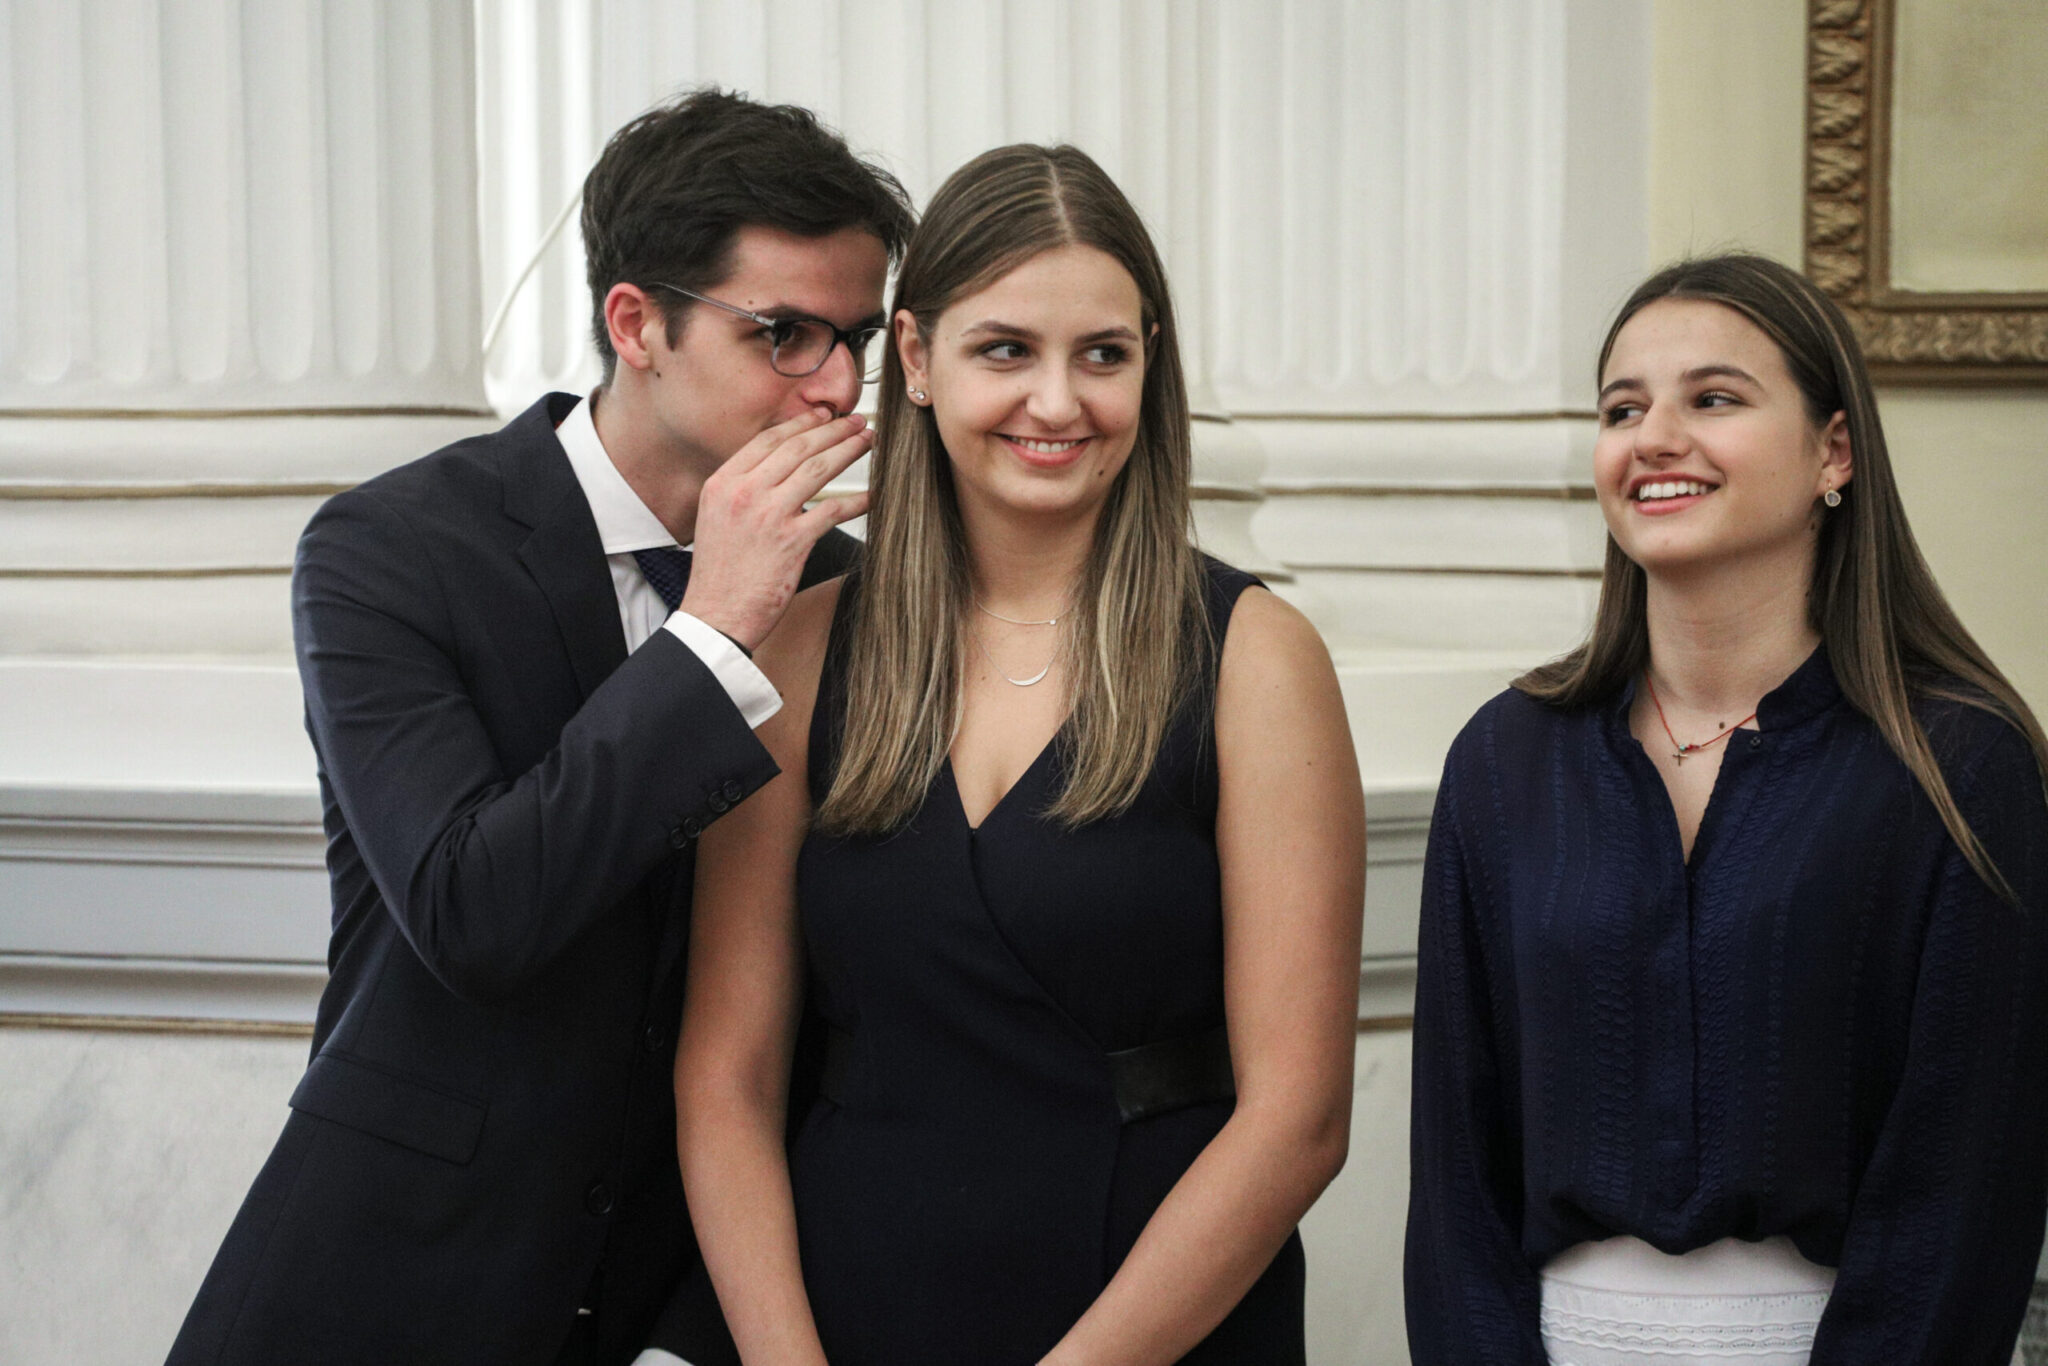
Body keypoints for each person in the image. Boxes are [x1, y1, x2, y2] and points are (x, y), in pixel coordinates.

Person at [165, 90, 913, 1366]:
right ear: (637, 324)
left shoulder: (845, 595)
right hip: (388, 1284)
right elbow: (474, 913)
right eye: (783, 334)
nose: (835, 387)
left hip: (680, 1302)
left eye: (853, 340)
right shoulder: (391, 549)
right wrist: (714, 630)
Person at [671, 143, 1365, 1366]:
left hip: (1151, 1323)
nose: (1057, 402)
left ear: (1150, 364)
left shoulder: (1256, 658)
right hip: (847, 1307)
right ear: (916, 357)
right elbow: (726, 1077)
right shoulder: (800, 653)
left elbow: (1297, 1119)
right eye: (1005, 350)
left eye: (1103, 354)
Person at [1404, 253, 2048, 1365]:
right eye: (1622, 408)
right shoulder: (1504, 761)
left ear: (1832, 452)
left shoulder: (1956, 765)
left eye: (1712, 399)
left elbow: (1964, 1192)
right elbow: (1456, 1174)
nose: (1653, 437)